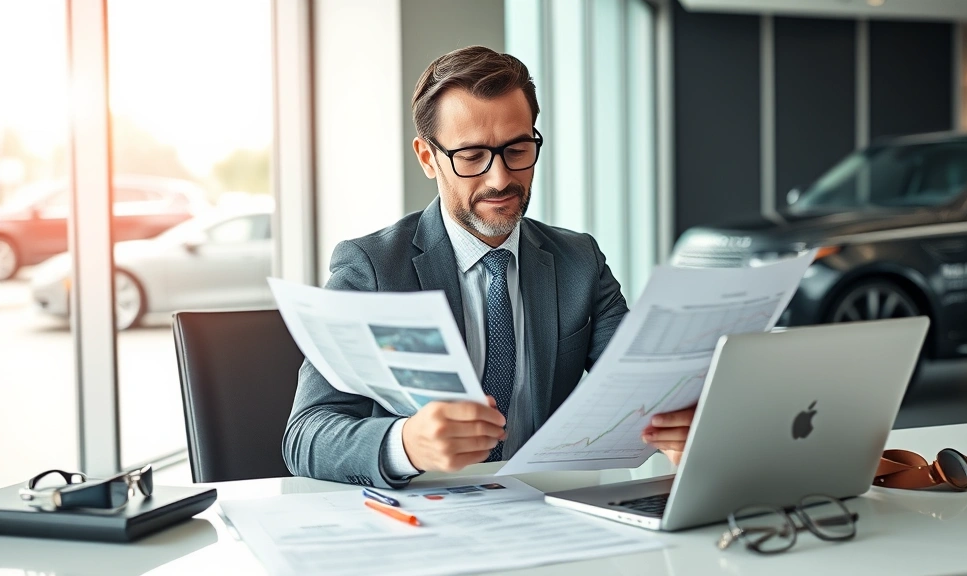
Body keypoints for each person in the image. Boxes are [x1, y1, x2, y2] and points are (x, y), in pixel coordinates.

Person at [282, 45, 694, 488]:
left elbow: (641, 385)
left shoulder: (580, 260)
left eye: (517, 149)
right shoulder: (374, 269)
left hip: (547, 509)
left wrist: (680, 417)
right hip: (425, 517)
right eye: (473, 156)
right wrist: (406, 444)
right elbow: (306, 434)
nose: (500, 178)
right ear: (427, 158)